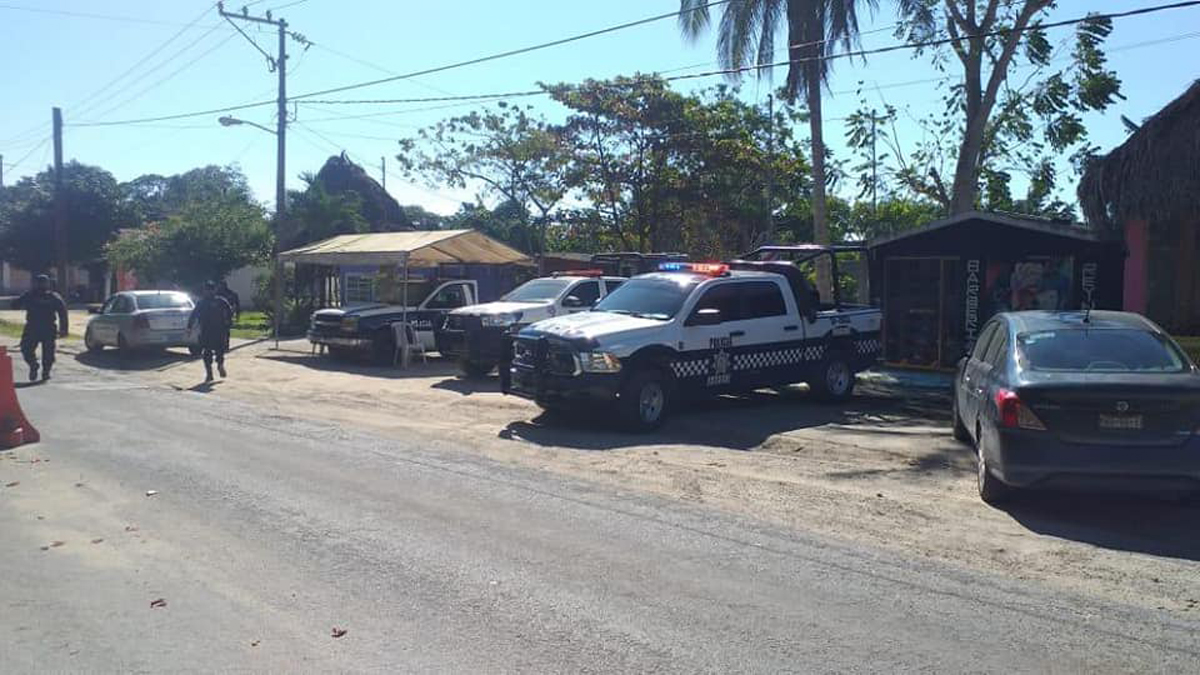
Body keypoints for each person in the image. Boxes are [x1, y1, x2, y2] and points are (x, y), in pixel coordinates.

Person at [13, 274, 69, 382]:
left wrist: (64, 329)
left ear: (47, 284)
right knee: (26, 349)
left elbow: (62, 313)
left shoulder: (53, 297)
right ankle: (34, 365)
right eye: (39, 283)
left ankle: (45, 372)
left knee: (47, 353)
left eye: (43, 283)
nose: (41, 285)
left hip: (46, 328)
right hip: (35, 327)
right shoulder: (30, 295)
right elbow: (15, 305)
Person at [188, 281, 233, 382]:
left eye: (210, 290)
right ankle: (210, 372)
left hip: (215, 330)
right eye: (207, 290)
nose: (208, 292)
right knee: (209, 351)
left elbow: (229, 312)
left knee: (218, 351)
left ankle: (219, 365)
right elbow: (194, 315)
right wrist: (189, 327)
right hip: (210, 330)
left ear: (213, 290)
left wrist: (228, 324)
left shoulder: (217, 301)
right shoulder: (214, 301)